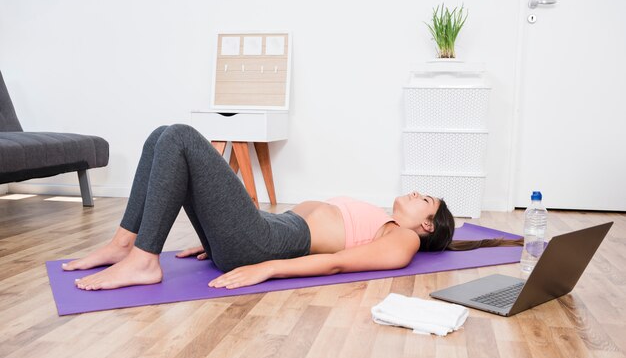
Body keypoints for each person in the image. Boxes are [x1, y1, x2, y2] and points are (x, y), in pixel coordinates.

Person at [64, 124, 521, 291]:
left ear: (426, 224)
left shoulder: (401, 240)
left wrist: (268, 269)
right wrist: (221, 239)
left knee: (181, 137)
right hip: (258, 230)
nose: (417, 191)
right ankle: (124, 243)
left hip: (265, 242)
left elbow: (338, 263)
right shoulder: (387, 222)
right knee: (162, 135)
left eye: (426, 198)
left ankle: (143, 260)